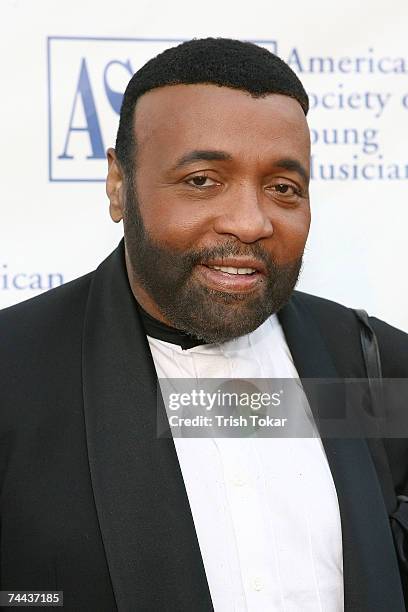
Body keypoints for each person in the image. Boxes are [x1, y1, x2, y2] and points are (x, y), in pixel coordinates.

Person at [1, 37, 407, 612]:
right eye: (202, 180)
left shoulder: (372, 363)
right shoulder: (16, 373)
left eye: (283, 188)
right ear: (120, 184)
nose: (250, 221)